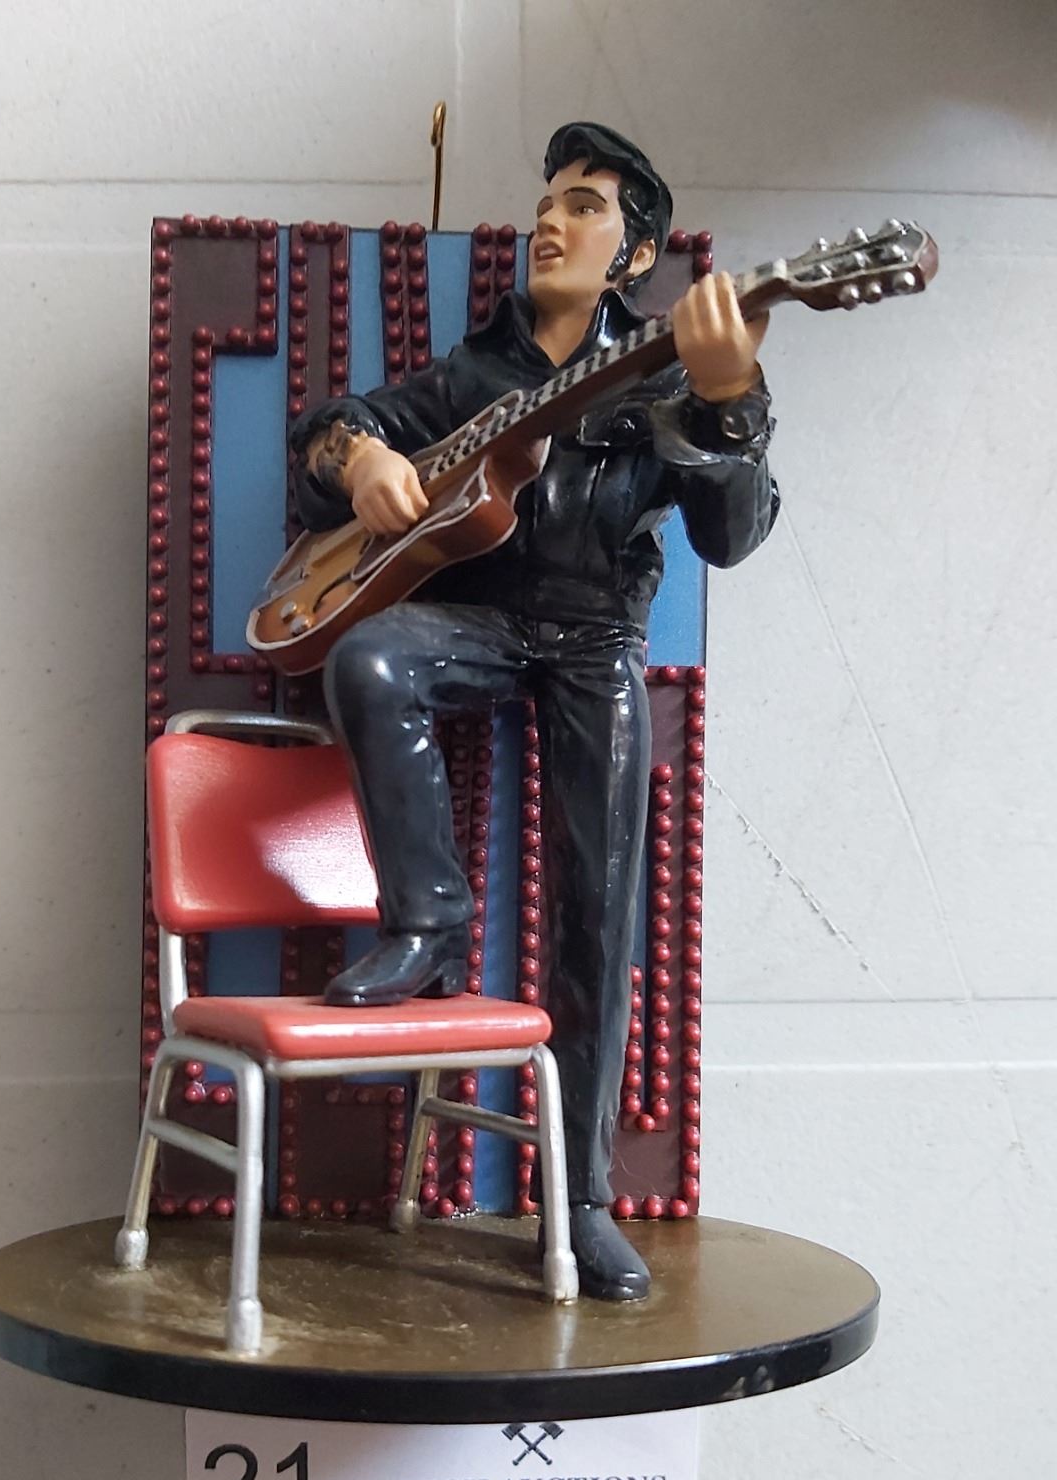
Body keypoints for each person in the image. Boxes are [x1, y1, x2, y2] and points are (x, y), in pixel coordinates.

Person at [289, 122, 778, 1300]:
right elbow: (327, 428)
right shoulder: (475, 373)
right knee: (370, 657)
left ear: (637, 252)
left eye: (584, 205)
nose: (551, 222)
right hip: (482, 619)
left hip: (596, 641)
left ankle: (582, 1197)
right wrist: (362, 462)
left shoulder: (665, 371)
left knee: (599, 911)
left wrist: (731, 404)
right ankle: (430, 924)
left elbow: (732, 535)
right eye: (548, 201)